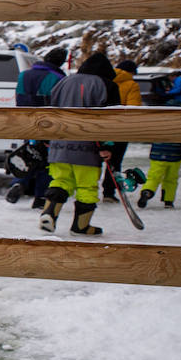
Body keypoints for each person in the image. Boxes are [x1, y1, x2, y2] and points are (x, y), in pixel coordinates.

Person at [40, 51, 119, 235]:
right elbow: (111, 118)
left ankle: (49, 213)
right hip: (88, 147)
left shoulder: (64, 81)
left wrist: (46, 138)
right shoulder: (107, 85)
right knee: (87, 187)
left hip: (59, 143)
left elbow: (49, 109)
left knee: (60, 180)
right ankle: (81, 226)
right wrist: (107, 146)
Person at [8, 46, 68, 207]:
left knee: (28, 155)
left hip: (26, 121)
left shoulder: (24, 75)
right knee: (46, 162)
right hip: (47, 124)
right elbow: (57, 104)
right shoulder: (57, 77)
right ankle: (41, 197)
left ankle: (19, 181)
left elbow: (19, 98)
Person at [100, 58, 143, 202]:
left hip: (100, 126)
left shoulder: (102, 79)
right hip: (119, 128)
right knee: (115, 161)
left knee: (94, 158)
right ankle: (108, 192)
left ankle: (87, 189)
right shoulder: (131, 84)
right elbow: (133, 108)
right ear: (132, 72)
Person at [137, 141, 181, 210]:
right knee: (171, 180)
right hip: (175, 156)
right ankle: (168, 201)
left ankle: (147, 192)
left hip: (157, 154)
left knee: (153, 178)